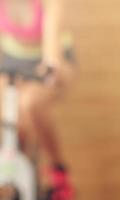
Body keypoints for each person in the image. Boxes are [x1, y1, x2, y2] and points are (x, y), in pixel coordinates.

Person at [0, 0, 76, 199]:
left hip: (50, 59)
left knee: (30, 104)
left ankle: (58, 172)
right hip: (12, 60)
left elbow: (52, 41)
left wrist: (52, 65)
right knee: (14, 120)